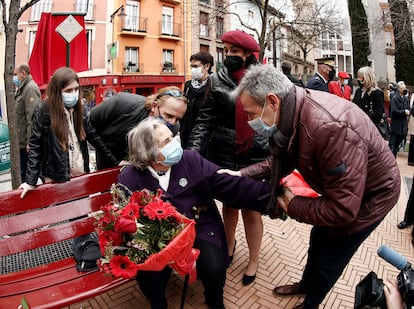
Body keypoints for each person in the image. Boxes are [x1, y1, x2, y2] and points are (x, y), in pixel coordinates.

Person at [230, 64, 400, 309]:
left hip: (372, 197)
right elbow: (282, 158)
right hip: (348, 189)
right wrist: (241, 174)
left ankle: (311, 303)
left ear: (272, 101)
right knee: (318, 235)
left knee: (333, 252)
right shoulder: (294, 111)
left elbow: (343, 210)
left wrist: (293, 204)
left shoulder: (328, 128)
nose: (249, 120)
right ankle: (306, 285)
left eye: (250, 113)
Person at [117, 117, 271, 309]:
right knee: (150, 274)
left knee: (214, 266)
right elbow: (124, 220)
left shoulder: (190, 159)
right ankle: (158, 302)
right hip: (156, 238)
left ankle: (214, 299)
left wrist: (270, 197)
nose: (174, 143)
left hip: (199, 224)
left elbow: (226, 184)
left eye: (172, 137)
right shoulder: (129, 178)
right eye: (166, 142)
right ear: (149, 153)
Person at [187, 29, 270, 285]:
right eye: (226, 51)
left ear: (248, 54)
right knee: (229, 205)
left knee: (252, 210)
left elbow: (274, 119)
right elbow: (205, 119)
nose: (228, 56)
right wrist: (192, 152)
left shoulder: (265, 80)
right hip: (223, 152)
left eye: (234, 51)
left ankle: (254, 259)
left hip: (255, 154)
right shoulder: (218, 79)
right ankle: (229, 247)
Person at [18, 67, 91, 198]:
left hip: (80, 176)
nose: (74, 93)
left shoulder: (80, 109)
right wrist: (30, 181)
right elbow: (36, 147)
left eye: (76, 89)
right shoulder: (45, 111)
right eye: (68, 90)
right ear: (58, 91)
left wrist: (116, 160)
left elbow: (94, 136)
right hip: (57, 178)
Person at [86, 86, 187, 170]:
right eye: (168, 116)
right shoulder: (122, 103)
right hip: (107, 166)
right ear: (154, 106)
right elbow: (87, 125)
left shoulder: (173, 128)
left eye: (177, 119)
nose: (172, 123)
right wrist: (115, 161)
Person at [14, 63, 41, 182]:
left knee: (28, 176)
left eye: (16, 74)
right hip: (22, 142)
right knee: (23, 174)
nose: (15, 78)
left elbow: (32, 117)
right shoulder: (23, 89)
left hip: (27, 144)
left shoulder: (30, 89)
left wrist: (30, 141)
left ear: (23, 74)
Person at [180, 51, 214, 148]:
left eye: (196, 66)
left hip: (204, 137)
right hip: (186, 133)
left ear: (206, 66)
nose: (193, 70)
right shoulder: (188, 85)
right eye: (192, 66)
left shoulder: (213, 86)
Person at [352, 66, 386, 136]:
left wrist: (361, 117)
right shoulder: (358, 91)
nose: (358, 79)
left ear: (366, 78)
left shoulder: (377, 93)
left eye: (360, 77)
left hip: (370, 128)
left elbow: (378, 113)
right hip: (357, 127)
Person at [389, 81, 410, 157]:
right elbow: (394, 111)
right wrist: (404, 112)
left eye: (405, 88)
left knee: (397, 146)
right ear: (399, 89)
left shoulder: (406, 99)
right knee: (391, 145)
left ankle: (393, 160)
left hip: (402, 126)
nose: (404, 89)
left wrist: (408, 111)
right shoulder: (395, 98)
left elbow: (408, 108)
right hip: (396, 126)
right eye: (403, 88)